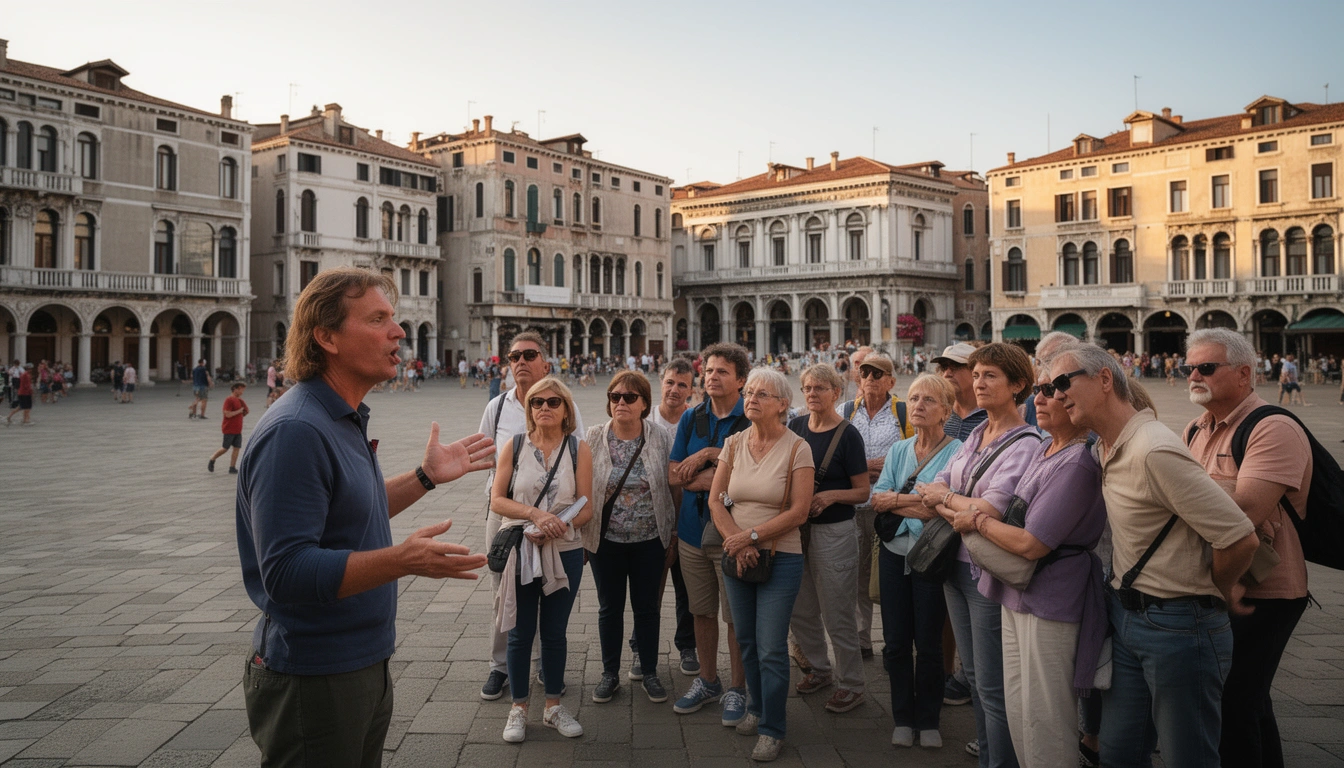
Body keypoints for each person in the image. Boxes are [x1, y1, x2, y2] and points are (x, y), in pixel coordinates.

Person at [236, 267, 494, 767]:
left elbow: (353, 503)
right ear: (326, 337)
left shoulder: (339, 414)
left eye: (394, 319)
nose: (398, 332)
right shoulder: (296, 431)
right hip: (315, 675)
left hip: (361, 663)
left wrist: (424, 476)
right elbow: (286, 572)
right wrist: (401, 560)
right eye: (378, 319)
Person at [1047, 341, 1258, 768]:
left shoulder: (1153, 449)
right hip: (1128, 618)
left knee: (1189, 757)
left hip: (1179, 627)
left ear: (1105, 379)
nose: (1056, 395)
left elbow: (1239, 538)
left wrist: (1213, 590)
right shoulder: (1107, 445)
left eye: (1063, 382)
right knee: (1119, 752)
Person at [954, 364, 1107, 767]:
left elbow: (1031, 542)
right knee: (1019, 705)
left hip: (1052, 596)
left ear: (1072, 400)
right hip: (1016, 589)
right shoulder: (1045, 448)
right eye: (1037, 390)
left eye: (1050, 391)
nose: (1037, 399)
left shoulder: (1076, 461)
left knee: (1046, 715)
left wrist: (976, 520)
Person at [1182, 330, 1312, 768]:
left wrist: (1180, 498)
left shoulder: (1274, 427)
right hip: (1220, 581)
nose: (1193, 375)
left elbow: (1243, 511)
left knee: (1236, 699)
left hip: (1266, 590)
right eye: (1189, 368)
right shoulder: (1194, 428)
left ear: (1243, 373)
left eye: (1206, 367)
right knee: (1247, 699)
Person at [919, 342, 1042, 768]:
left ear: (1018, 385)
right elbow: (929, 490)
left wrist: (947, 498)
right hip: (953, 563)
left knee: (992, 683)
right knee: (973, 676)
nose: (979, 382)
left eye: (990, 375)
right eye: (977, 374)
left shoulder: (1026, 442)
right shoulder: (975, 432)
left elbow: (988, 510)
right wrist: (954, 502)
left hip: (986, 570)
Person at [707, 368, 815, 762]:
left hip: (780, 556)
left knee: (771, 646)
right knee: (747, 640)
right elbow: (716, 501)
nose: (751, 398)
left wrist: (751, 537)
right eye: (749, 392)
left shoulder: (797, 447)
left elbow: (800, 511)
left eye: (762, 394)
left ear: (783, 405)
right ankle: (755, 707)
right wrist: (736, 539)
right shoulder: (733, 443)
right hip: (736, 553)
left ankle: (773, 728)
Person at [477, 332, 586, 700]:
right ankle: (501, 666)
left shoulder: (569, 412)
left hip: (557, 523)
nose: (520, 361)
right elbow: (488, 459)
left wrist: (558, 519)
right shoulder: (497, 407)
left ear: (545, 361)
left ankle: (542, 665)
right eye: (513, 355)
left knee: (550, 597)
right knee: (503, 595)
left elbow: (577, 462)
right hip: (509, 517)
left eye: (528, 354)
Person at [491, 375, 592, 743]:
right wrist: (535, 516)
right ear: (529, 410)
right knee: (519, 633)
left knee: (554, 633)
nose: (544, 408)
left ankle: (552, 706)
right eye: (537, 403)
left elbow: (585, 507)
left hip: (563, 550)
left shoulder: (579, 449)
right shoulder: (514, 446)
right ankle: (518, 708)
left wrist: (556, 526)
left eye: (553, 402)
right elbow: (497, 500)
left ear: (566, 409)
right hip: (521, 549)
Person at [871, 374, 961, 748]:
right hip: (894, 556)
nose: (919, 405)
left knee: (928, 642)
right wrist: (914, 503)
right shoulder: (899, 450)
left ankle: (929, 719)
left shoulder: (958, 452)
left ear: (946, 410)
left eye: (929, 400)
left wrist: (902, 500)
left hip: (932, 557)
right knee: (894, 642)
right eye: (914, 398)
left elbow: (945, 508)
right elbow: (878, 498)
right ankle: (903, 718)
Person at [670, 343, 752, 725]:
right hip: (690, 532)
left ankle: (738, 687)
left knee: (735, 614)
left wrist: (706, 458)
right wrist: (713, 476)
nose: (712, 377)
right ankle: (707, 680)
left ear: (740, 380)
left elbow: (752, 476)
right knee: (701, 609)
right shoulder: (691, 417)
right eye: (709, 371)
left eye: (722, 371)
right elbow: (674, 473)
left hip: (732, 532)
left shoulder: (750, 418)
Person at [584, 371, 676, 704]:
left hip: (650, 539)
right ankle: (609, 674)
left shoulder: (660, 437)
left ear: (644, 404)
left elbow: (672, 485)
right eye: (615, 397)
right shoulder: (594, 436)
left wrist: (674, 533)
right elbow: (582, 488)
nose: (621, 402)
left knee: (647, 608)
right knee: (609, 608)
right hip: (604, 541)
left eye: (630, 397)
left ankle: (649, 671)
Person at [787, 363, 870, 713]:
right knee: (800, 608)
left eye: (820, 388)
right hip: (795, 530)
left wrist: (831, 496)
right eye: (807, 388)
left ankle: (852, 683)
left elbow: (863, 491)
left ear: (836, 393)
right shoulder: (794, 426)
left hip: (834, 532)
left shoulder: (848, 434)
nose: (812, 394)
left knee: (837, 611)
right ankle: (820, 669)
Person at [839, 353, 913, 658]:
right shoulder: (845, 411)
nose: (871, 378)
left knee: (890, 577)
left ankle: (896, 644)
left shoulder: (904, 413)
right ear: (858, 379)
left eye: (878, 373)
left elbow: (915, 457)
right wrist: (866, 466)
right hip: (853, 508)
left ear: (892, 381)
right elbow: (835, 456)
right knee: (856, 576)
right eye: (866, 372)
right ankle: (861, 641)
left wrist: (881, 468)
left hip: (890, 510)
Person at [642, 357, 700, 677]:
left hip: (689, 518)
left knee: (688, 587)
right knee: (649, 589)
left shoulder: (695, 422)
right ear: (660, 383)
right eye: (669, 382)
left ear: (691, 390)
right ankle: (641, 646)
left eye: (682, 385)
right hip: (649, 521)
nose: (674, 389)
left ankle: (687, 645)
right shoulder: (645, 421)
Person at [934, 343, 987, 441]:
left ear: (975, 372)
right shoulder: (938, 413)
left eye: (956, 367)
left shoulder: (992, 416)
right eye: (944, 367)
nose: (947, 374)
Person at [209, 382, 250, 474]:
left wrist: (243, 411)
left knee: (237, 448)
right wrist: (239, 411)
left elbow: (246, 411)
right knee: (225, 448)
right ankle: (212, 458)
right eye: (240, 389)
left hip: (238, 429)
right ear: (235, 389)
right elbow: (227, 414)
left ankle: (232, 467)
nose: (242, 392)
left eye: (243, 390)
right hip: (229, 428)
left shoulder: (240, 400)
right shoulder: (229, 400)